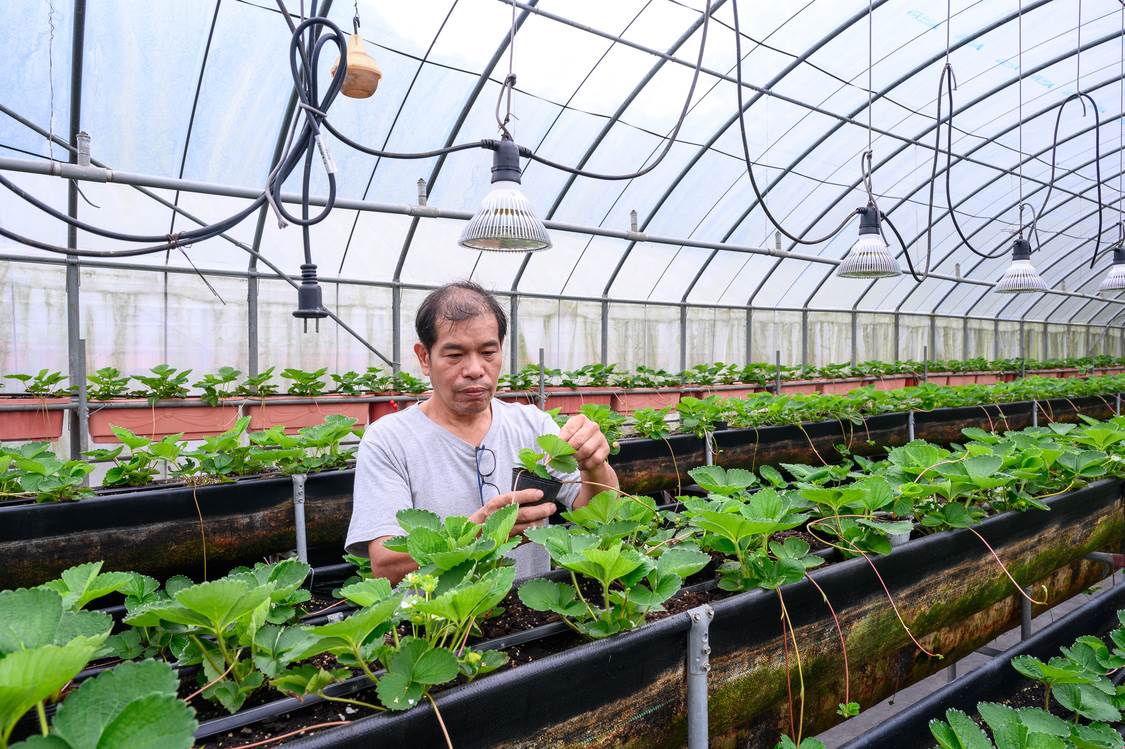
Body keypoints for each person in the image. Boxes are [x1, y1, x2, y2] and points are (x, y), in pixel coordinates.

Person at [345, 281, 619, 583]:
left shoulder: (533, 425)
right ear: (425, 357)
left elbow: (597, 513)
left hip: (527, 620)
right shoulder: (389, 440)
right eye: (454, 355)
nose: (475, 369)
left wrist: (595, 465)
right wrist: (478, 533)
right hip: (438, 627)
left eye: (488, 352)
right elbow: (385, 564)